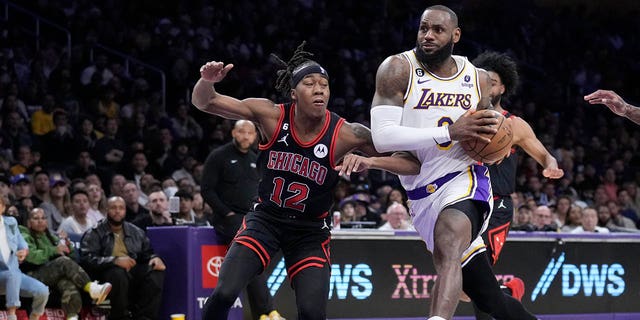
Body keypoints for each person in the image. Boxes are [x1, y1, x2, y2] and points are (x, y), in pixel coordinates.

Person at [192, 42, 421, 319]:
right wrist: (206, 81)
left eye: (324, 84)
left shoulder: (348, 133)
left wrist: (371, 161)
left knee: (312, 313)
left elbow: (410, 163)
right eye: (310, 83)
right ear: (293, 93)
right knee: (224, 293)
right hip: (265, 221)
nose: (319, 89)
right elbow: (205, 101)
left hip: (310, 232)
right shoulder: (272, 115)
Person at [369, 5, 537, 319]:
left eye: (438, 30)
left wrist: (493, 143)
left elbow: (491, 131)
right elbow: (383, 137)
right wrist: (449, 132)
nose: (428, 36)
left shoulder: (477, 78)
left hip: (465, 180)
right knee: (490, 301)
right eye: (423, 28)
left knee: (449, 241)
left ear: (455, 35)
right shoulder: (397, 69)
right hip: (421, 194)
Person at [471, 51, 564, 319]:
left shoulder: (514, 125)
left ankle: (509, 295)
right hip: (463, 200)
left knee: (477, 281)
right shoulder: (463, 116)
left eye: (493, 81)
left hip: (496, 204)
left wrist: (550, 165)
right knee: (470, 284)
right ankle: (508, 292)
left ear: (503, 87)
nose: (487, 84)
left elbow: (545, 154)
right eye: (482, 79)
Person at [201, 119, 281, 319]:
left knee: (255, 259)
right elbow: (207, 190)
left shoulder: (255, 158)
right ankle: (267, 311)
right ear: (233, 133)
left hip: (251, 218)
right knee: (252, 254)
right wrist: (225, 212)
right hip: (227, 219)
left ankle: (263, 313)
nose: (246, 136)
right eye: (242, 132)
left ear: (255, 136)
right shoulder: (219, 156)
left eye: (250, 133)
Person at [80, 196, 166, 320]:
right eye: (113, 208)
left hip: (132, 271)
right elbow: (87, 259)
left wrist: (155, 258)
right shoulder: (94, 232)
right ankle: (120, 317)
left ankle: (145, 317)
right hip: (105, 274)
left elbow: (147, 253)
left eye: (121, 208)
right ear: (106, 210)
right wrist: (115, 261)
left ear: (125, 211)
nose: (117, 211)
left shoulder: (136, 231)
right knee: (118, 273)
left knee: (155, 273)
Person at [19, 207, 112, 320]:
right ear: (28, 222)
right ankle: (91, 288)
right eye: (36, 218)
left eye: (43, 218)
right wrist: (54, 250)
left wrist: (68, 246)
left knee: (67, 283)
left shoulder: (51, 236)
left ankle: (72, 316)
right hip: (32, 274)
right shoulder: (23, 235)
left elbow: (71, 259)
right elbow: (31, 257)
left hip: (51, 273)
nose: (40, 221)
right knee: (62, 262)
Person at [0, 196, 49, 320]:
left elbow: (22, 244)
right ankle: (12, 316)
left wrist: (24, 251)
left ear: (3, 207)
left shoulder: (11, 222)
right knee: (12, 275)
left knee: (43, 291)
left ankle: (35, 316)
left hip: (14, 274)